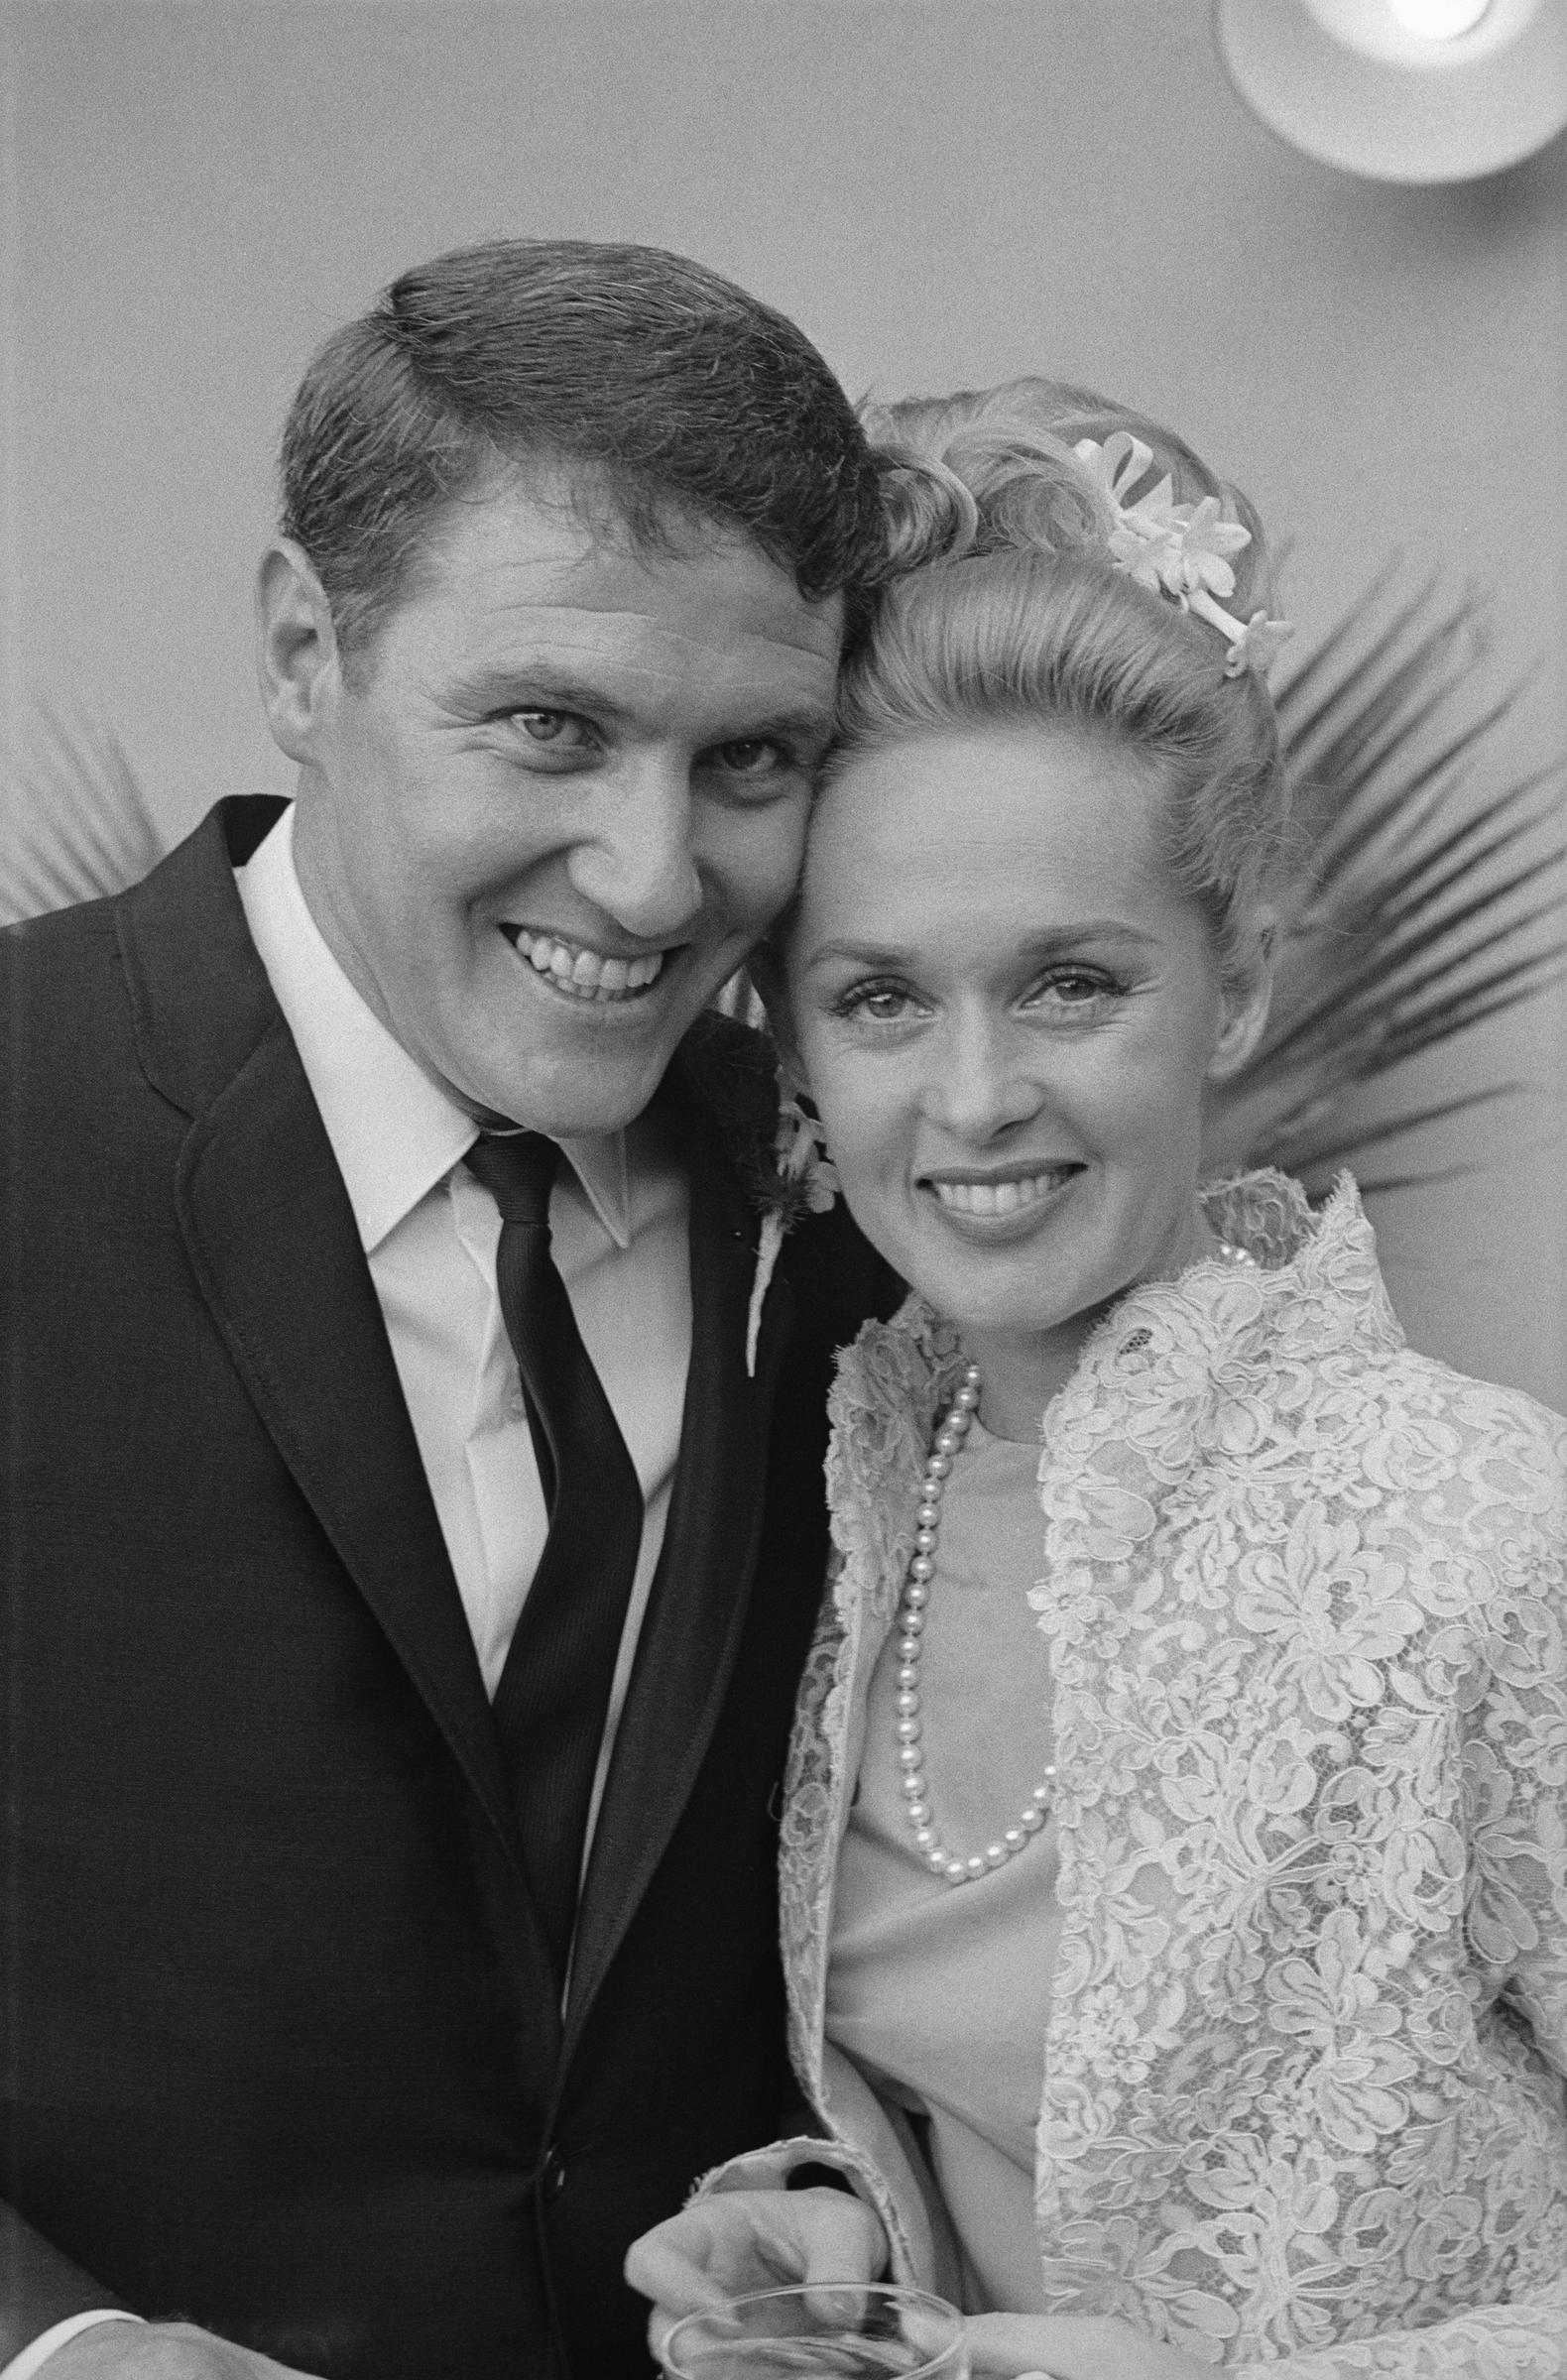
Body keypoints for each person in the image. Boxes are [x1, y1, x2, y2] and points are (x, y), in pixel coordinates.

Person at [0, 238, 906, 2380]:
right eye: (548, 727)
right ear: (306, 650)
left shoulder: (870, 1195)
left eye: (754, 759)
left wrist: (831, 2202)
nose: (653, 874)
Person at [627, 382, 1567, 2377]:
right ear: (787, 1038)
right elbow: (1014, 2124)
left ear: (1230, 982)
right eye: (881, 997)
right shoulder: (837, 1488)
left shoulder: (1487, 1539)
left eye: (1070, 979)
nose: (973, 1102)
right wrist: (829, 2231)